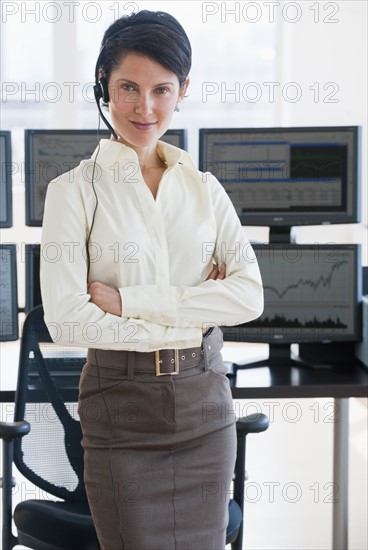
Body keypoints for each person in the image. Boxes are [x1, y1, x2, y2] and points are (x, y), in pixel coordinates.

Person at [40, 9, 263, 550]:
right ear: (104, 87)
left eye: (162, 89)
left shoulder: (205, 189)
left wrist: (130, 302)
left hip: (206, 407)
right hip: (123, 409)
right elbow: (68, 322)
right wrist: (190, 314)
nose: (145, 107)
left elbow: (249, 296)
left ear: (183, 89)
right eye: (128, 88)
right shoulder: (73, 192)